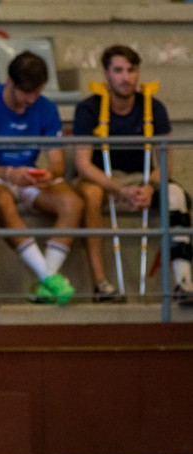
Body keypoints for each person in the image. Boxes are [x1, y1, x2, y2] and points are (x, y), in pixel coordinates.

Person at [72, 45, 193, 306]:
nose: (126, 77)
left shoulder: (154, 107)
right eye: (118, 70)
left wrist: (150, 186)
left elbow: (165, 161)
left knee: (176, 195)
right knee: (90, 195)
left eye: (131, 70)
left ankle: (184, 282)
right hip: (102, 178)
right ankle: (101, 283)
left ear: (138, 73)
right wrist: (117, 188)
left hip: (141, 177)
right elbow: (83, 164)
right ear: (106, 74)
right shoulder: (88, 108)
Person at [0, 51, 83, 304]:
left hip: (27, 175)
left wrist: (50, 174)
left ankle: (44, 282)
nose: (31, 99)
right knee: (3, 201)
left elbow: (56, 162)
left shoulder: (46, 108)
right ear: (9, 81)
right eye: (25, 92)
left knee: (73, 203)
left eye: (36, 92)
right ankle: (49, 276)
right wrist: (7, 173)